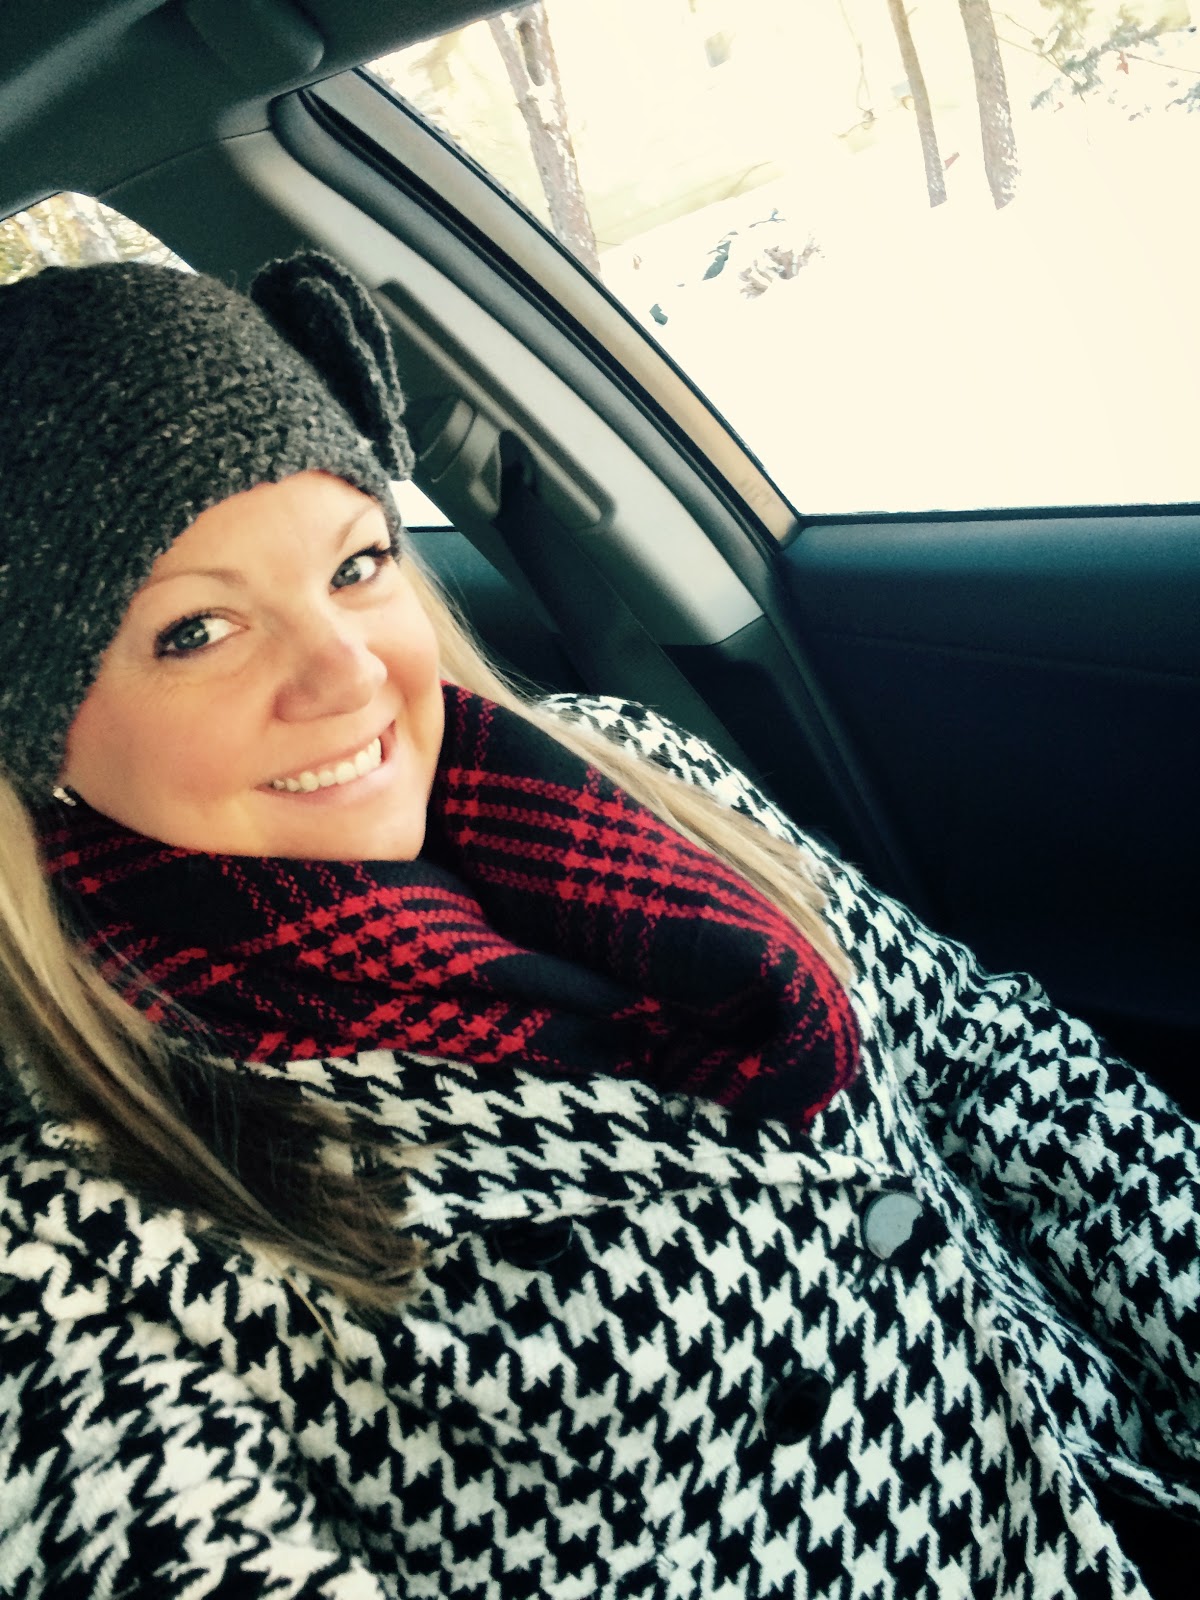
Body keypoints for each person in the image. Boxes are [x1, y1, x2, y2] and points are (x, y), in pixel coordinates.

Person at [0, 253, 1195, 1600]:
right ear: (38, 724)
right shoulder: (75, 1230)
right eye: (196, 629)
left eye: (358, 564)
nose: (347, 671)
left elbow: (985, 1058)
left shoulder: (630, 771)